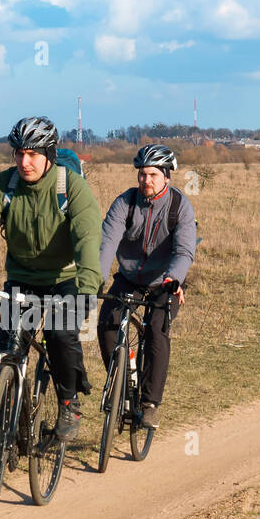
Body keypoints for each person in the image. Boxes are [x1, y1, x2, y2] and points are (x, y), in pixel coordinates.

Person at [0, 117, 102, 457]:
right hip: (22, 279)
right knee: (8, 350)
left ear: (48, 154)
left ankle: (68, 401)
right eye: (18, 153)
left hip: (65, 278)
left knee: (61, 336)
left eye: (32, 154)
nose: (24, 162)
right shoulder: (7, 184)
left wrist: (88, 287)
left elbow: (89, 236)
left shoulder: (70, 186)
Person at [95, 144, 197, 429]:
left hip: (165, 282)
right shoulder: (124, 203)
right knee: (107, 324)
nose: (146, 180)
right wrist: (96, 278)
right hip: (128, 278)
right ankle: (120, 386)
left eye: (152, 174)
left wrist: (174, 278)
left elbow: (185, 250)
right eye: (142, 174)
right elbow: (107, 244)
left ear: (167, 176)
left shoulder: (180, 207)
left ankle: (150, 404)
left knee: (156, 329)